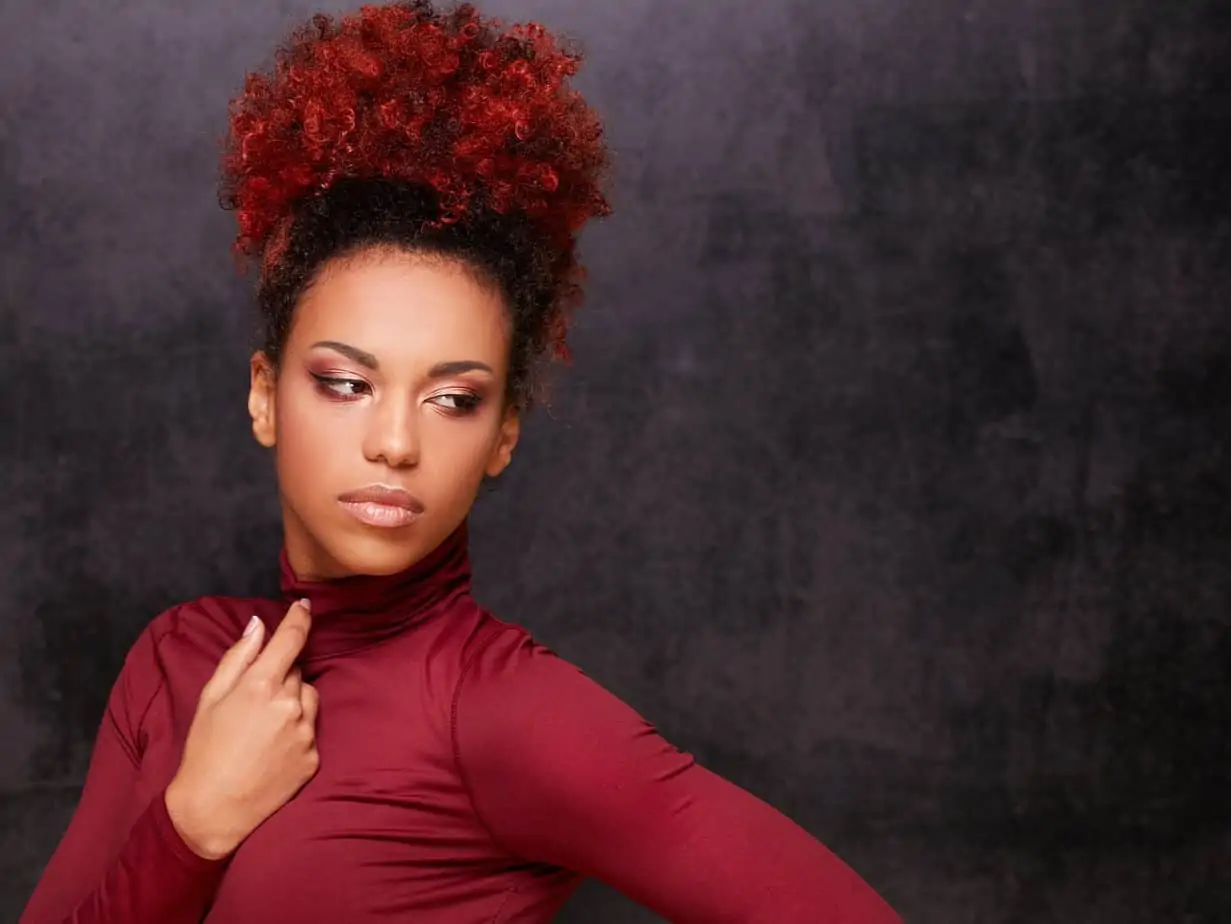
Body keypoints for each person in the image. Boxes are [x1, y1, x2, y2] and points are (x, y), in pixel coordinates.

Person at [19, 3, 903, 921]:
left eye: (453, 399)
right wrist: (190, 826)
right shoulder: (176, 660)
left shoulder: (508, 714)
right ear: (263, 396)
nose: (397, 443)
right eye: (346, 383)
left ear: (504, 435)